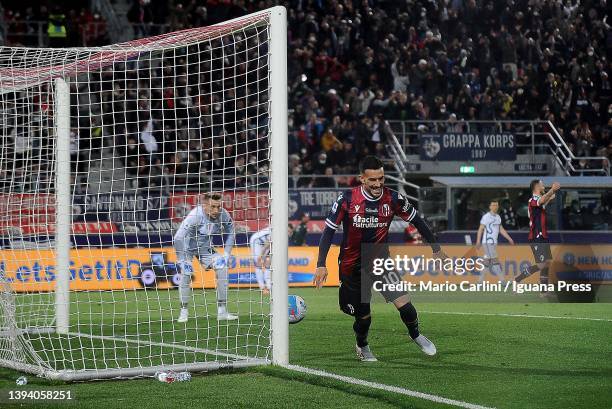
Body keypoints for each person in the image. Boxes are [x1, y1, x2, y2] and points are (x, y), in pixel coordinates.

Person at [313, 156, 446, 362]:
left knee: (405, 304)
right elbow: (328, 232)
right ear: (362, 179)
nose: (378, 184)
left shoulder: (393, 199)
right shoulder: (346, 199)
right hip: (352, 266)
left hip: (380, 262)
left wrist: (435, 248)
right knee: (364, 316)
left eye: (381, 178)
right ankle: (362, 345)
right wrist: (321, 264)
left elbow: (417, 220)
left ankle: (416, 335)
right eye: (373, 180)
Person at [173, 192, 237, 323]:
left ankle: (222, 311)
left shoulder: (223, 214)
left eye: (219, 206)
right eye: (213, 206)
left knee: (222, 267)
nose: (216, 210)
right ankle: (183, 311)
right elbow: (178, 238)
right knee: (186, 273)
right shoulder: (194, 216)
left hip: (205, 249)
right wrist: (181, 259)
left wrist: (226, 253)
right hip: (187, 249)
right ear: (204, 206)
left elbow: (231, 232)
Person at [514, 180, 561, 289]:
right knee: (541, 264)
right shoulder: (532, 200)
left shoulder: (538, 201)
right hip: (536, 236)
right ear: (537, 186)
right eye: (542, 184)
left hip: (543, 236)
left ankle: (543, 291)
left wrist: (549, 198)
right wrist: (551, 190)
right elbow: (541, 201)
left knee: (547, 263)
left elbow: (542, 204)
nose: (544, 186)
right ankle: (518, 279)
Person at [476, 201, 515, 282]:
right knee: (495, 260)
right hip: (487, 242)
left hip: (493, 242)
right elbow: (480, 229)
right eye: (493, 205)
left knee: (487, 261)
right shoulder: (486, 217)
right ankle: (502, 280)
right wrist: (478, 241)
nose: (495, 207)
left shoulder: (498, 217)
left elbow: (501, 229)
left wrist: (509, 238)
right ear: (490, 207)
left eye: (497, 205)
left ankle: (480, 282)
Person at [249, 227, 271, 295]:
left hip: (266, 243)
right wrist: (261, 255)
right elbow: (267, 244)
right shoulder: (276, 231)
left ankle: (269, 286)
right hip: (256, 241)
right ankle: (262, 288)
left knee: (268, 263)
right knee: (258, 264)